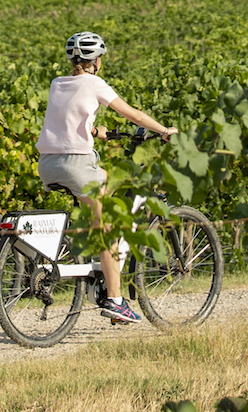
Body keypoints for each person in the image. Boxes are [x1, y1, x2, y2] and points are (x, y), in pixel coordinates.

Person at [35, 31, 178, 325]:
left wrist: (96, 132)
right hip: (77, 165)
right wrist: (163, 130)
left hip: (48, 164)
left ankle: (99, 269)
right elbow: (133, 114)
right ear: (96, 60)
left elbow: (67, 120)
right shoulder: (95, 82)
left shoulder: (57, 83)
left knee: (109, 180)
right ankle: (115, 300)